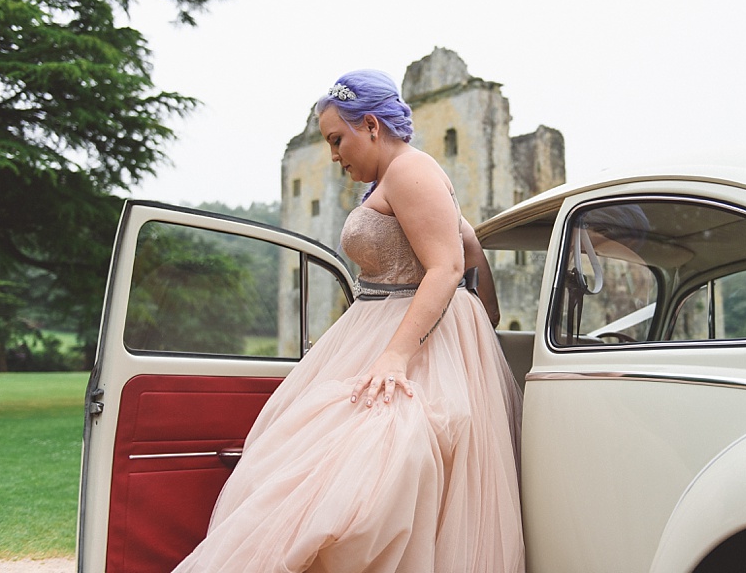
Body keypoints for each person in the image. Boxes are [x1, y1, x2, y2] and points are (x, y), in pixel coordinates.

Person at [172, 69, 525, 572]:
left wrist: (398, 353)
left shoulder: (410, 170)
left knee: (361, 468)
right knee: (304, 459)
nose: (334, 156)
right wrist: (483, 312)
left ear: (373, 126)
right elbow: (468, 244)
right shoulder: (401, 177)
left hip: (406, 342)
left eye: (338, 140)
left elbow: (447, 265)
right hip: (381, 325)